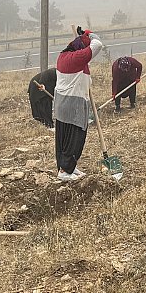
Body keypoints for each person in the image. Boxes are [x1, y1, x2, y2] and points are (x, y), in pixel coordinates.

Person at [55, 28, 104, 181]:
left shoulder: (64, 56)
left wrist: (83, 37)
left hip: (62, 105)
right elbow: (98, 45)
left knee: (63, 139)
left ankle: (69, 166)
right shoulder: (77, 58)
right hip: (73, 105)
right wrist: (90, 34)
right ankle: (64, 171)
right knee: (75, 139)